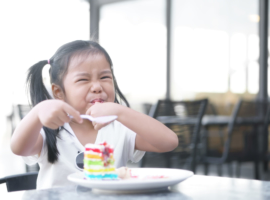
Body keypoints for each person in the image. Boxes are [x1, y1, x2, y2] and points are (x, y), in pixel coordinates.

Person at [10, 40, 178, 189]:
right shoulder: (50, 129)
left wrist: (121, 112)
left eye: (105, 77)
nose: (97, 86)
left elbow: (169, 142)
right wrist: (38, 112)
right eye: (83, 80)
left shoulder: (120, 128)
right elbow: (19, 148)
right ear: (59, 92)